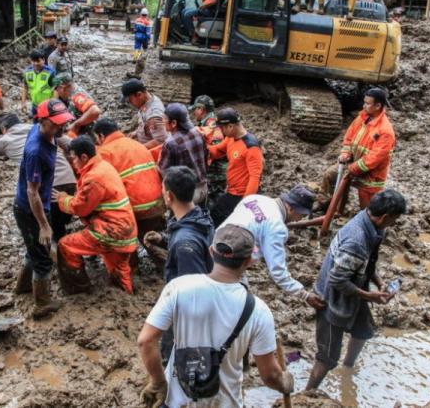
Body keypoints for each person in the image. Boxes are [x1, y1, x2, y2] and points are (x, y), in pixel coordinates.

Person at [138, 224, 294, 408]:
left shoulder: (179, 287)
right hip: (224, 402)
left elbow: (145, 341)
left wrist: (158, 382)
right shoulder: (258, 311)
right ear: (250, 261)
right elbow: (270, 376)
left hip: (178, 400)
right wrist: (285, 382)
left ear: (211, 251)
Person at [0, 112, 78, 294]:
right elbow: (69, 143)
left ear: (3, 129)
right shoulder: (36, 129)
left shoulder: (7, 140)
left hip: (45, 193)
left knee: (45, 245)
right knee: (47, 238)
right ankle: (27, 287)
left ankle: (63, 287)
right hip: (69, 185)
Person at [306, 189, 406, 390]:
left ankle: (348, 369)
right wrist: (370, 296)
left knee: (363, 331)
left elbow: (367, 263)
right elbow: (337, 280)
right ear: (385, 217)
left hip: (353, 290)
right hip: (331, 300)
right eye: (394, 220)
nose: (393, 224)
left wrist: (379, 282)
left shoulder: (372, 225)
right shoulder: (357, 240)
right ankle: (308, 394)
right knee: (327, 358)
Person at [142, 166, 214, 365]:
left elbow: (193, 291)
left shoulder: (184, 245)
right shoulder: (199, 216)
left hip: (186, 307)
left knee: (171, 352)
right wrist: (164, 239)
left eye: (163, 190)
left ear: (169, 196)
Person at [54, 135, 139, 294]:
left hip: (110, 230)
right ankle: (127, 294)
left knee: (66, 246)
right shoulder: (103, 166)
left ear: (84, 157)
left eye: (74, 159)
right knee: (118, 268)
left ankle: (79, 289)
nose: (73, 162)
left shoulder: (94, 178)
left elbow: (80, 208)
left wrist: (63, 199)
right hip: (125, 228)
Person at [13, 99, 74, 318]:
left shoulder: (45, 133)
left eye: (63, 123)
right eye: (57, 124)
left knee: (34, 249)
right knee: (43, 258)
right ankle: (42, 303)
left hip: (36, 204)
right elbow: (32, 192)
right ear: (44, 121)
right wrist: (44, 224)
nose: (61, 128)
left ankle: (23, 287)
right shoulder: (36, 151)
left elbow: (62, 139)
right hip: (30, 209)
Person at [220, 185, 326, 308]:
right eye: (301, 215)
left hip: (213, 246)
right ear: (291, 208)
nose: (299, 219)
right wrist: (304, 295)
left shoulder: (255, 198)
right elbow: (278, 272)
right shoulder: (277, 227)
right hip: (229, 266)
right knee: (240, 306)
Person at [318, 87, 395, 210]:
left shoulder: (385, 131)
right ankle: (327, 206)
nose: (364, 106)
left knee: (367, 209)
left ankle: (363, 219)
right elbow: (349, 137)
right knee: (329, 175)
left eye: (368, 103)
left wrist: (353, 168)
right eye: (364, 102)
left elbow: (374, 158)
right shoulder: (362, 118)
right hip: (352, 162)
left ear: (378, 106)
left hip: (371, 175)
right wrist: (346, 153)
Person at [93, 118, 165, 248]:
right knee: (158, 242)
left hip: (134, 210)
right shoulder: (137, 144)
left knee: (126, 245)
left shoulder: (103, 153)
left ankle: (133, 265)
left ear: (101, 136)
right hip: (157, 203)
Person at [208, 108, 264, 227]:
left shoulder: (251, 147)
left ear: (230, 126)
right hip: (232, 190)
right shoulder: (230, 138)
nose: (221, 131)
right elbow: (217, 150)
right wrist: (201, 148)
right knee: (214, 216)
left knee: (220, 219)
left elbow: (255, 178)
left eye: (222, 128)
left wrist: (245, 204)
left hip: (242, 194)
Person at [158, 103, 208, 205]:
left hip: (187, 195)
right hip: (203, 187)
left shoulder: (170, 143)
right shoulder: (198, 132)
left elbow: (163, 171)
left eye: (164, 119)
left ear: (173, 123)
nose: (162, 121)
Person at [190, 95, 228, 206]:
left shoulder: (212, 125)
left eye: (195, 109)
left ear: (201, 109)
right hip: (215, 172)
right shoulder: (209, 122)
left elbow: (216, 149)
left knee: (215, 202)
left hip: (216, 173)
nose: (194, 113)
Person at [121, 78, 168, 151]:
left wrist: (137, 149)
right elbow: (144, 123)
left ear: (139, 94)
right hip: (144, 141)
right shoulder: (146, 101)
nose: (130, 103)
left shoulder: (153, 116)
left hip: (151, 151)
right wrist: (136, 132)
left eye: (130, 100)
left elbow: (161, 141)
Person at [52, 73, 101, 137]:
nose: (57, 92)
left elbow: (95, 111)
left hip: (90, 135)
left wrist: (76, 124)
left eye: (57, 89)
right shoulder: (71, 93)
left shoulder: (77, 96)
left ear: (62, 88)